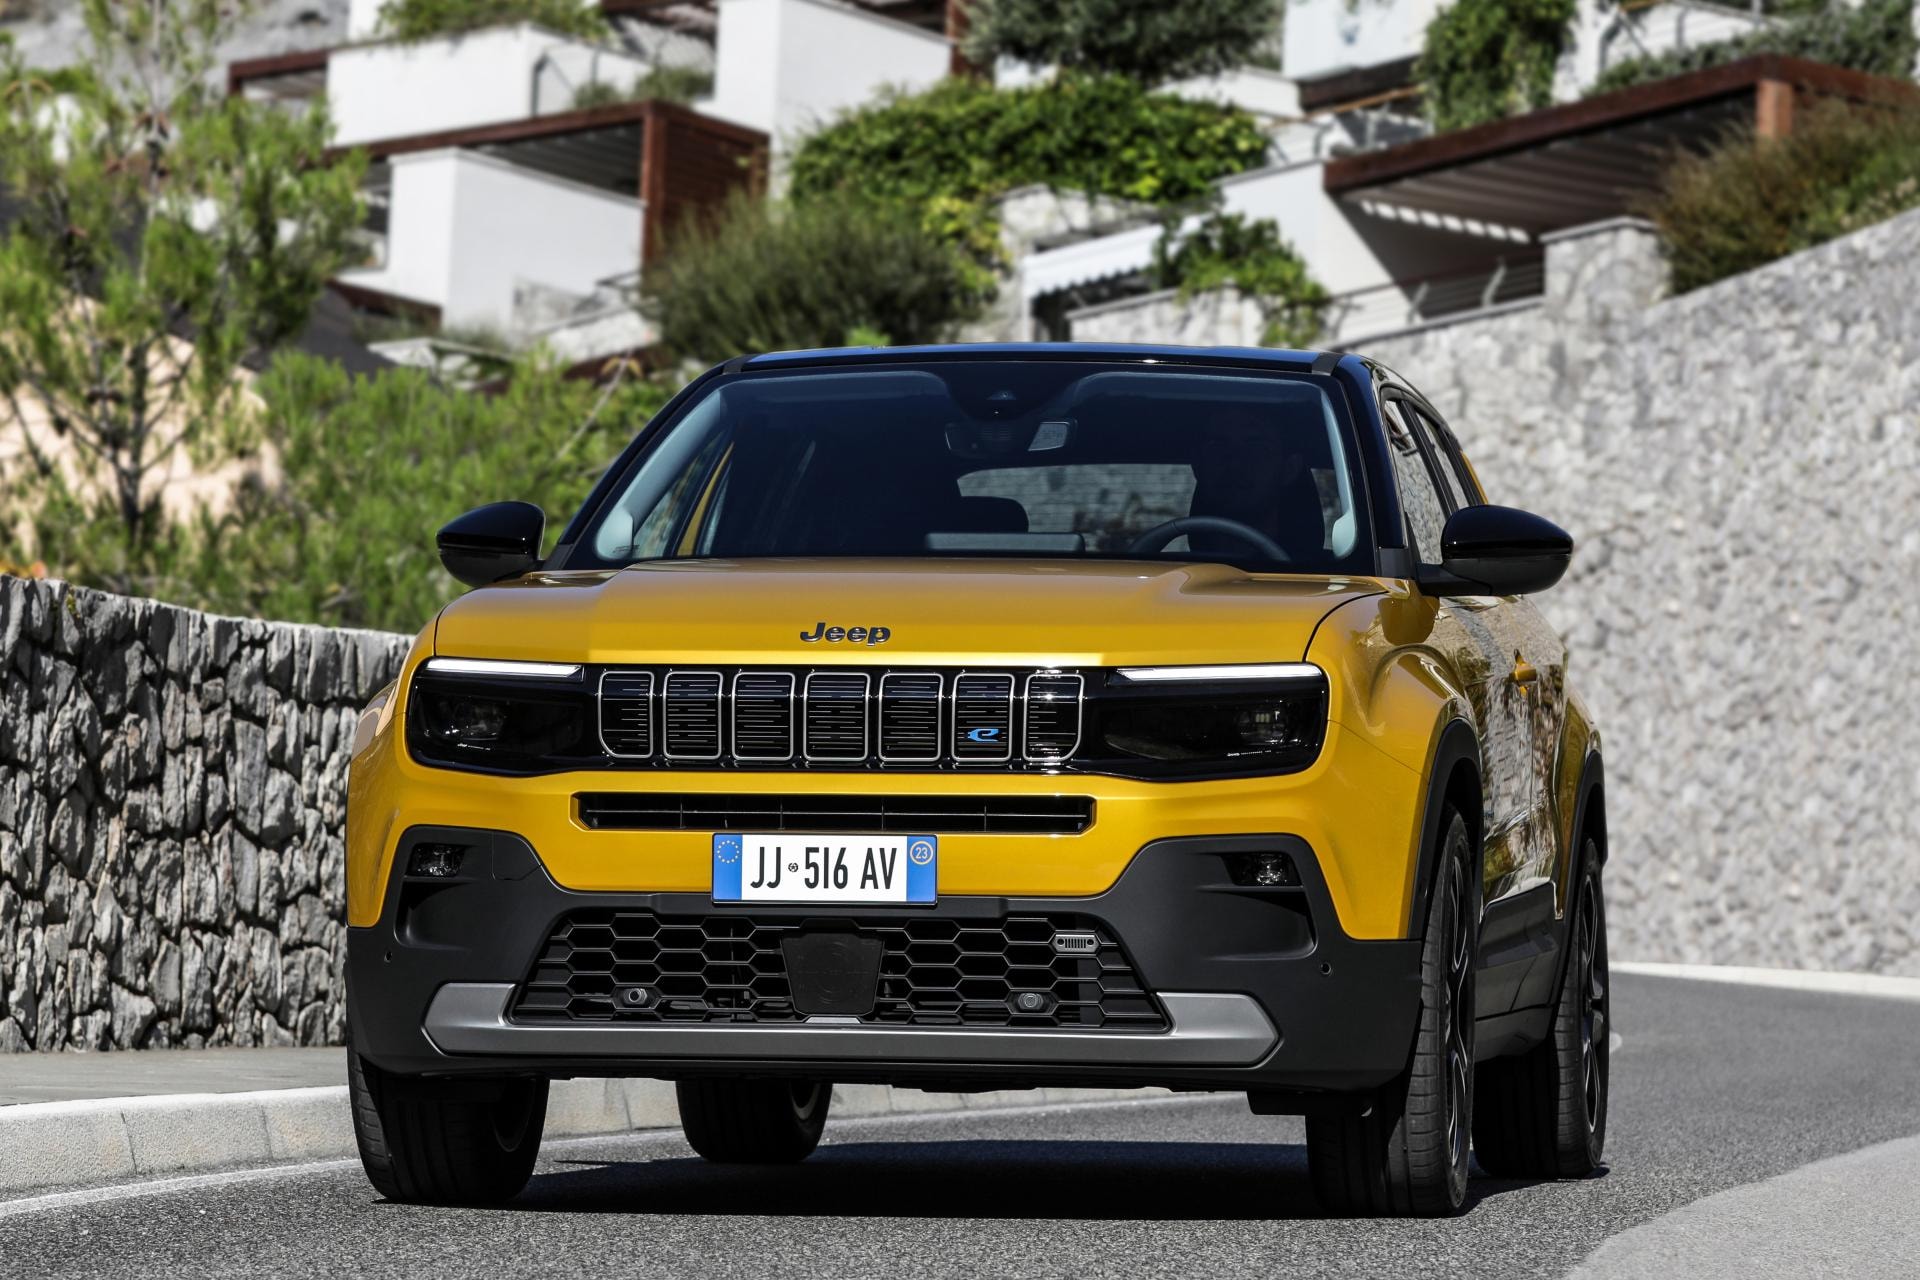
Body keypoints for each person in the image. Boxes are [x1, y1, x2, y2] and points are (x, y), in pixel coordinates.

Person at [1187, 404, 1330, 560]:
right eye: (1218, 446)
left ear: (1289, 469)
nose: (1235, 463)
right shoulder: (1165, 572)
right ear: (1197, 466)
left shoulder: (1326, 577)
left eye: (1255, 446)